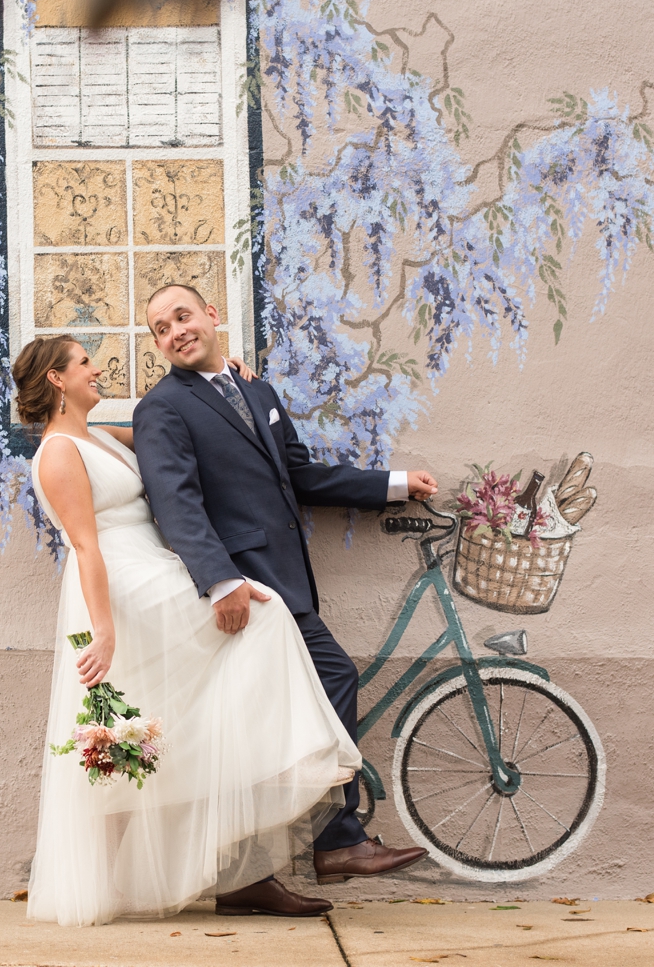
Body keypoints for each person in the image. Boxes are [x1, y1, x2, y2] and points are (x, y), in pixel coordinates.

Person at [19, 335, 363, 927]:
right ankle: (293, 765)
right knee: (264, 615)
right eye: (84, 363)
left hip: (154, 566)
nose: (97, 369)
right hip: (126, 586)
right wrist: (103, 632)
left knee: (195, 714)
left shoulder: (99, 435)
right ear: (57, 379)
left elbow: (178, 427)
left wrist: (223, 377)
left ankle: (241, 865)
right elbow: (84, 546)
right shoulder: (56, 453)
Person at [132, 284, 436, 916]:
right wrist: (220, 581)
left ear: (212, 314)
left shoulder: (258, 392)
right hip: (246, 590)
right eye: (161, 329)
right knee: (331, 677)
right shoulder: (162, 408)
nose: (175, 331)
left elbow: (299, 475)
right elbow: (175, 503)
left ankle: (253, 868)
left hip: (283, 577)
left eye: (182, 316)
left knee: (256, 727)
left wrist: (394, 483)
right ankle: (336, 840)